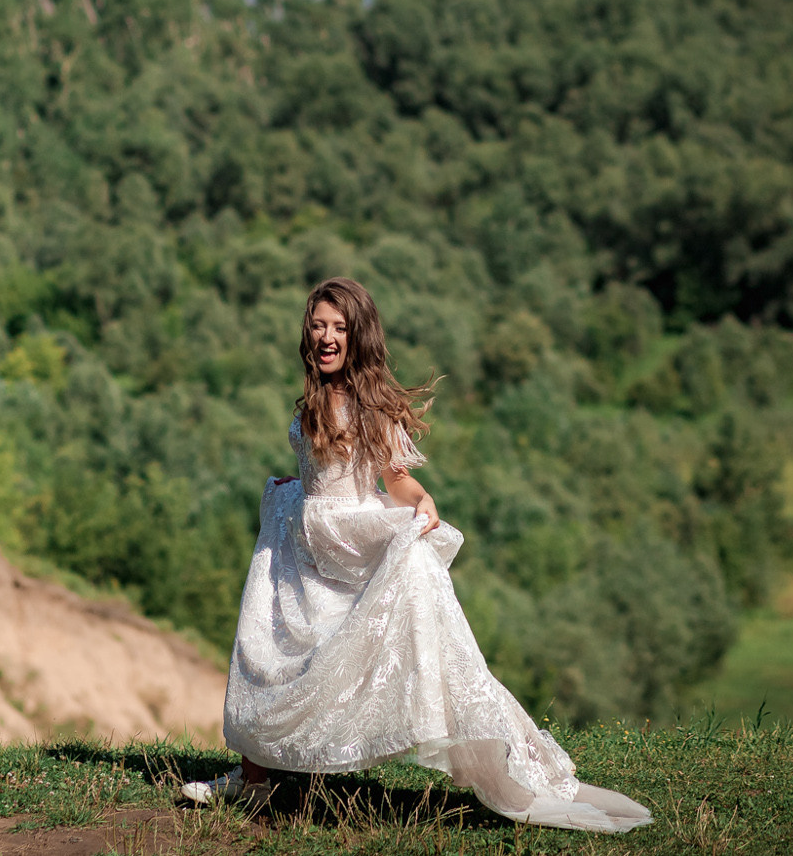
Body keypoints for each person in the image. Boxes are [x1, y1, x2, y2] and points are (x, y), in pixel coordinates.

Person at [181, 277, 654, 834]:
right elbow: (323, 468)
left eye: (339, 328)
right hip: (304, 536)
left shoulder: (369, 407)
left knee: (334, 653)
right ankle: (254, 778)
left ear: (358, 336)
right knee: (268, 646)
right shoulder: (313, 397)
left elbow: (395, 478)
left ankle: (511, 768)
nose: (327, 337)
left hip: (349, 542)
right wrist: (300, 486)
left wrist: (422, 500)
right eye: (319, 326)